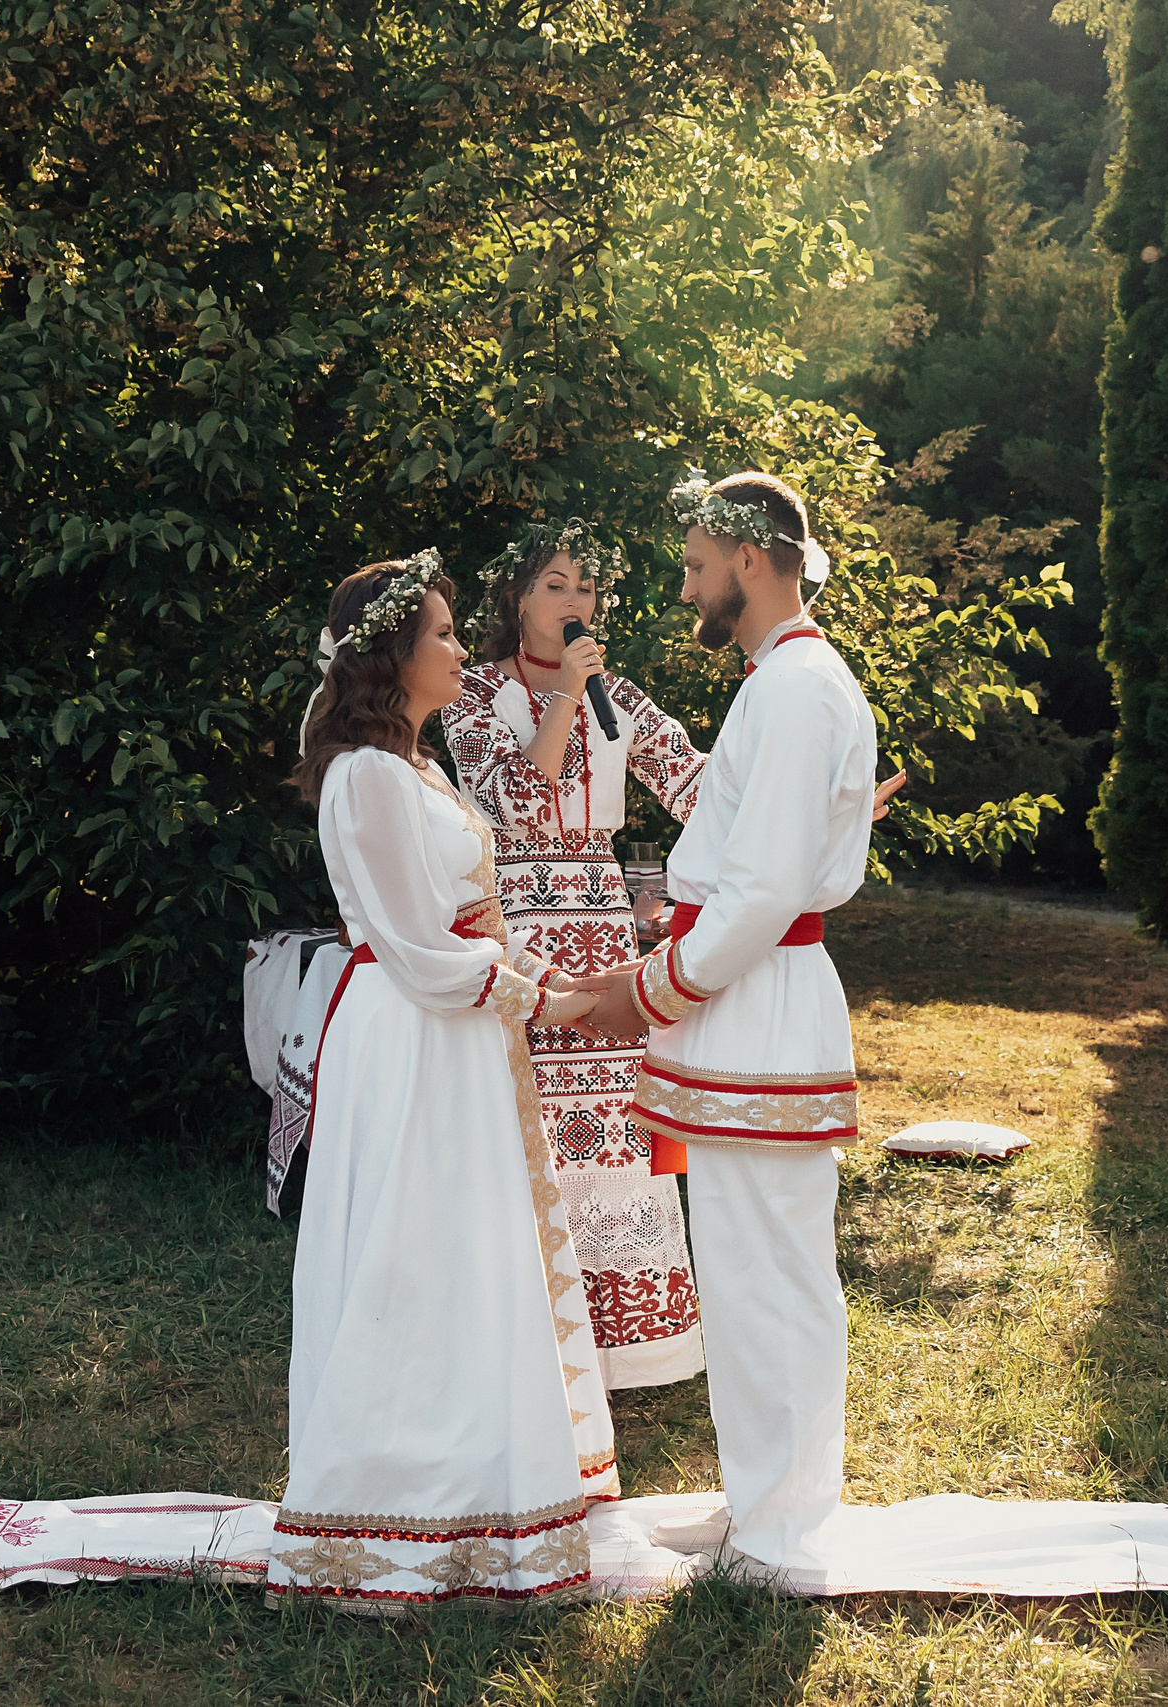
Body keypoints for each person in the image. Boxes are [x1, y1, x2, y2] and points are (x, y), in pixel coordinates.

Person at [265, 553, 619, 1613]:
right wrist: (545, 996)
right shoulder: (367, 775)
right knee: (414, 1252)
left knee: (464, 1249)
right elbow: (414, 949)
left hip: (452, 1033)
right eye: (446, 636)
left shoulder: (409, 767)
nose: (461, 651)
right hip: (414, 1037)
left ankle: (476, 1469)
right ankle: (393, 1494)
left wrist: (523, 981)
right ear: (393, 656)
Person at [568, 471, 877, 1583]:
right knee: (746, 1268)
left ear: (749, 561)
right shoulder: (778, 680)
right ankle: (762, 1502)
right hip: (743, 1006)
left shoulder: (795, 688)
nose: (688, 586)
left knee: (774, 1271)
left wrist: (649, 986)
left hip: (762, 1004)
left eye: (697, 565)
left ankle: (786, 1533)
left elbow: (762, 894)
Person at [439, 519, 713, 1390]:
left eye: (584, 588)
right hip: (518, 916)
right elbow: (518, 797)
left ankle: (630, 1348)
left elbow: (699, 785)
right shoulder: (470, 692)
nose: (573, 602)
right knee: (529, 1118)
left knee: (610, 1126)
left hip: (599, 916)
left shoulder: (618, 695)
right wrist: (562, 692)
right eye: (555, 584)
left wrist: (823, 800)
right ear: (516, 599)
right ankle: (531, 1349)